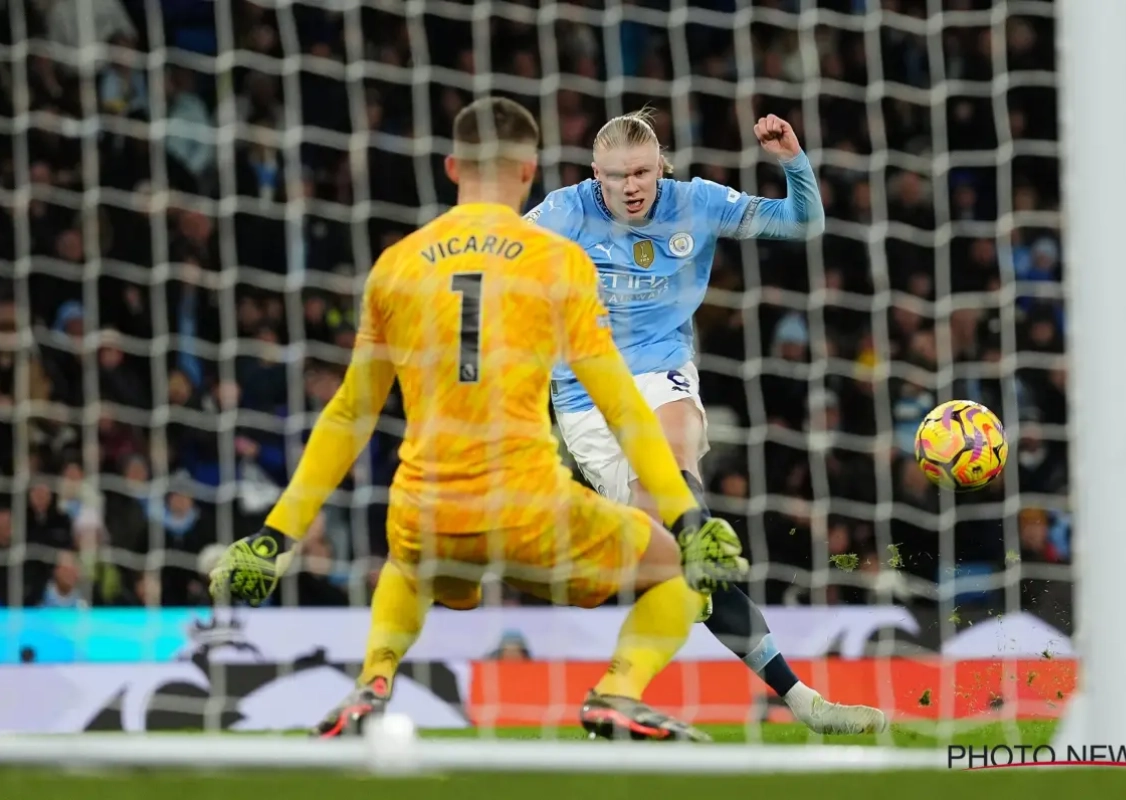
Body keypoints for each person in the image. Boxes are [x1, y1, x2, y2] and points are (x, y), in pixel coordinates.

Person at [207, 97, 748, 742]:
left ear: (452, 166)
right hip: (529, 508)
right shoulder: (556, 259)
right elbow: (621, 406)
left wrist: (275, 538)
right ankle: (617, 693)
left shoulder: (396, 266)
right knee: (676, 574)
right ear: (530, 171)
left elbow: (349, 414)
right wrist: (688, 520)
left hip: (428, 510)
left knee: (409, 570)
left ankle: (372, 679)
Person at [524, 108, 887, 734]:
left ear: (660, 163)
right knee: (677, 564)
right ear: (595, 175)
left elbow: (805, 222)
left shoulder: (699, 202)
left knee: (673, 468)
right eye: (615, 177)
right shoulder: (564, 211)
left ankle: (691, 533)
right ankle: (799, 701)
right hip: (585, 394)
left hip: (661, 369)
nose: (630, 187)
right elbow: (499, 259)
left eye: (640, 172)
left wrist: (791, 159)